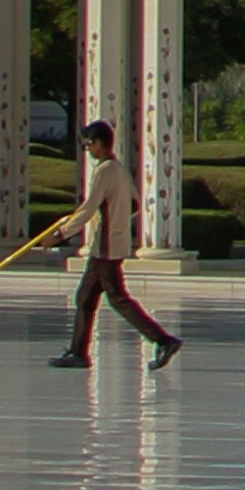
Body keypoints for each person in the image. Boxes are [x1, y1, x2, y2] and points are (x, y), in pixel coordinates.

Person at [49, 119, 180, 372]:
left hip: (106, 247)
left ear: (99, 143)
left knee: (118, 299)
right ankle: (78, 352)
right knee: (85, 297)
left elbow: (88, 208)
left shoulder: (105, 171)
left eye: (89, 145)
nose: (88, 150)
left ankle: (164, 340)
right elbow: (134, 204)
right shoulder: (119, 170)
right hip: (113, 243)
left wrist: (60, 234)